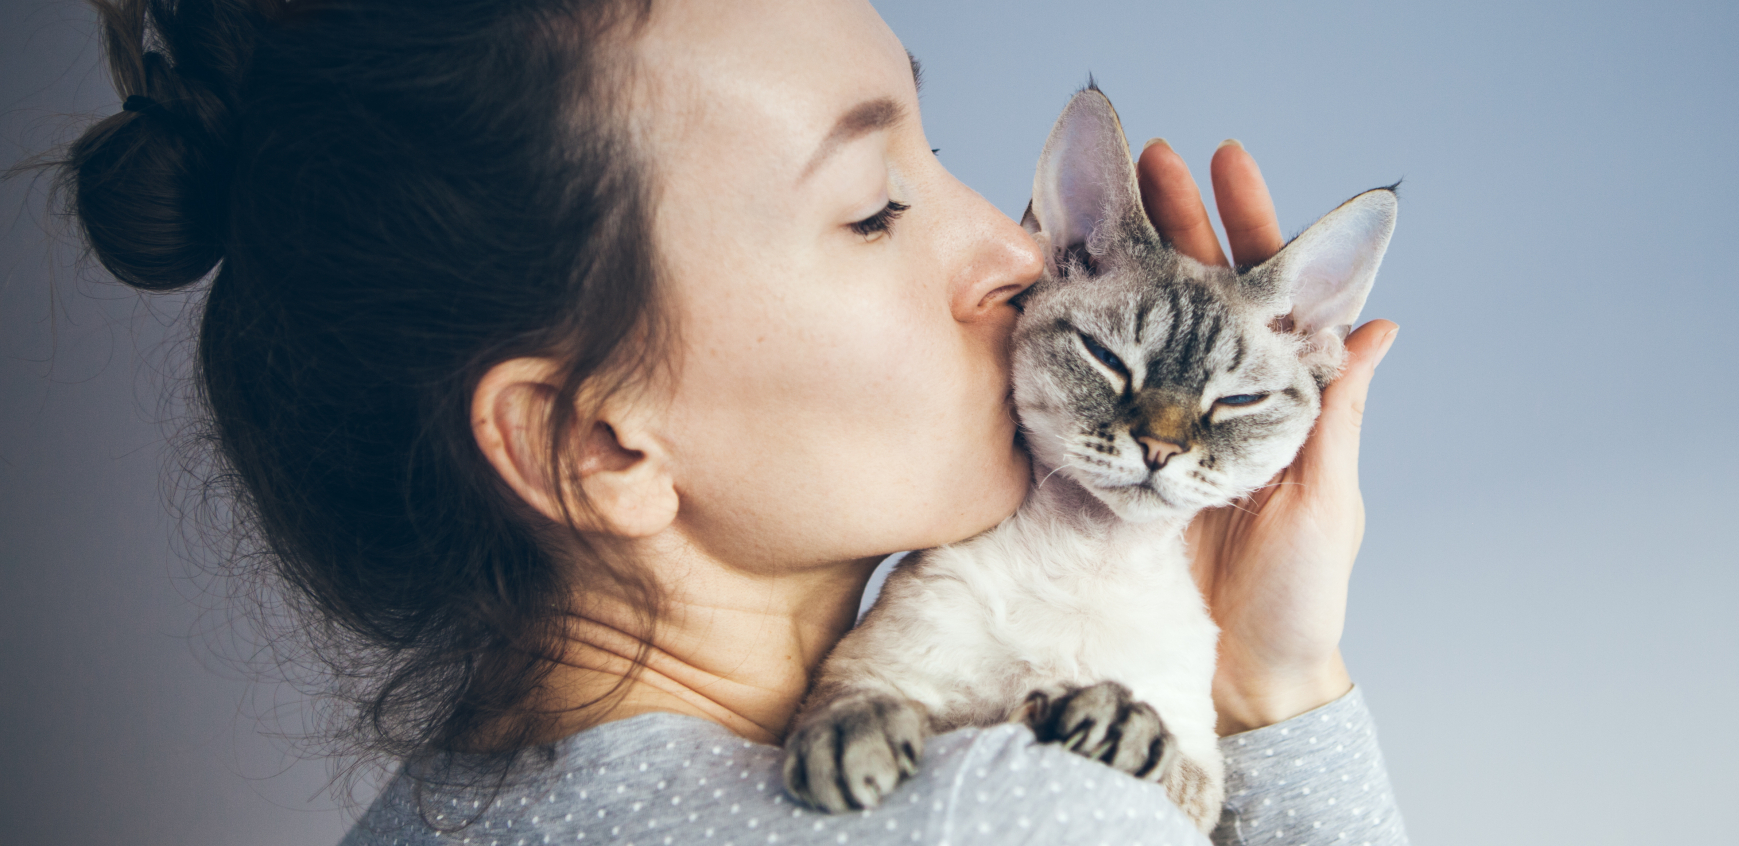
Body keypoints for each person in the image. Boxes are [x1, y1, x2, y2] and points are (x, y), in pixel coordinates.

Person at [51, 0, 1407, 842]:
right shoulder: (1016, 811)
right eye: (875, 203)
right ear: (597, 441)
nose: (1017, 247)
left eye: (934, 152)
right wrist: (1275, 701)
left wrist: (1218, 649)